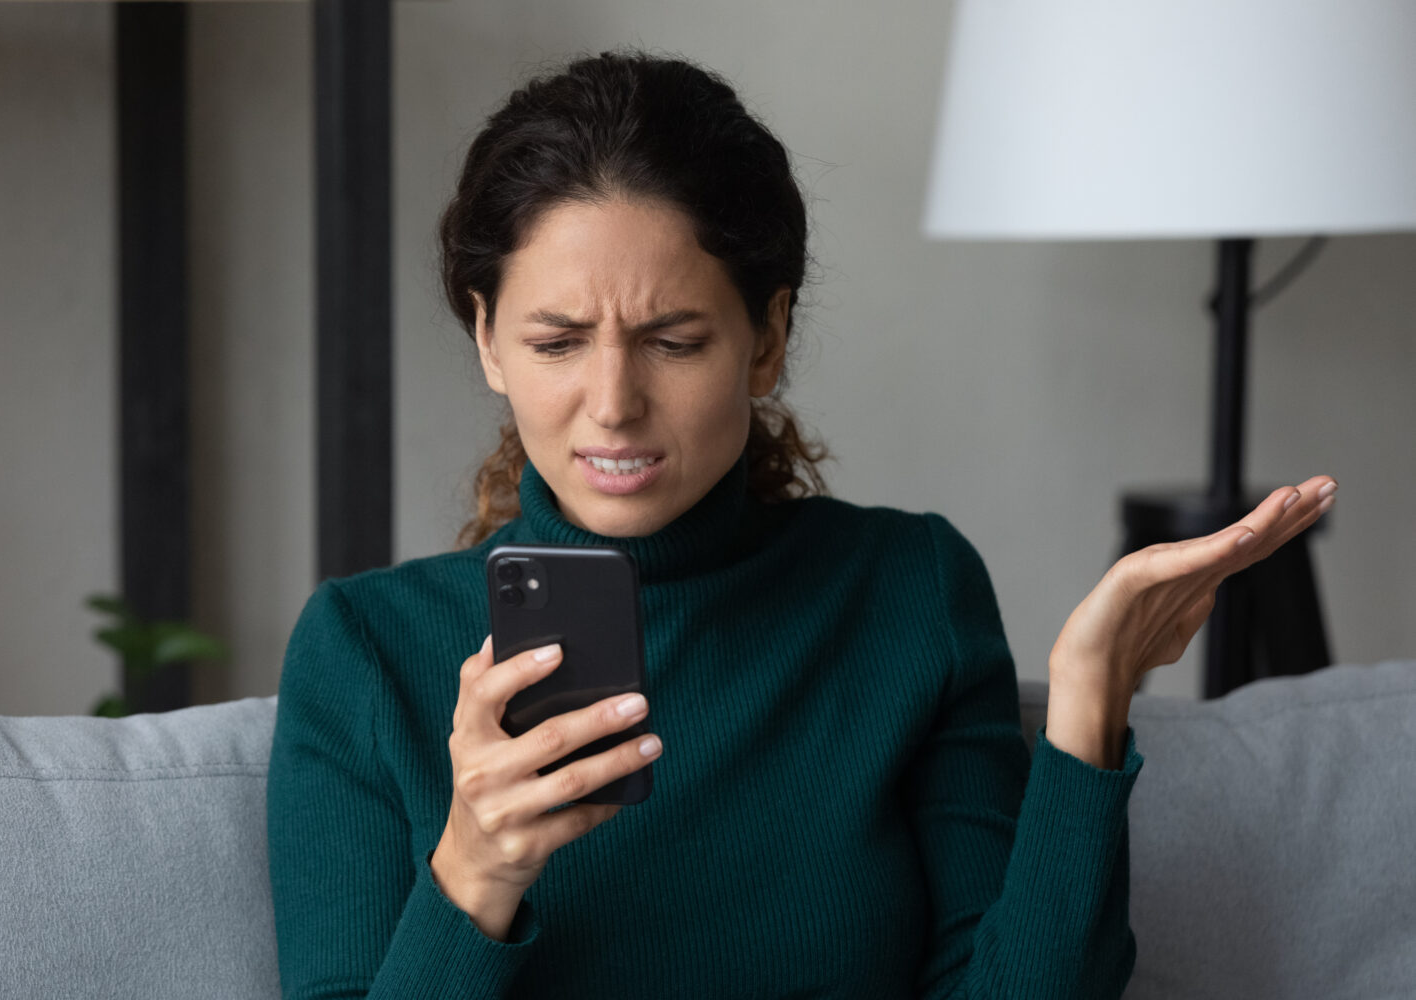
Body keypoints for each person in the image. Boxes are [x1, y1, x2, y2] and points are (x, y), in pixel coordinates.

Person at [266, 50, 1335, 1000]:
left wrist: (1093, 702)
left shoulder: (907, 588)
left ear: (766, 338)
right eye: (555, 341)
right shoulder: (366, 652)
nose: (612, 402)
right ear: (488, 339)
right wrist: (473, 873)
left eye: (674, 340)